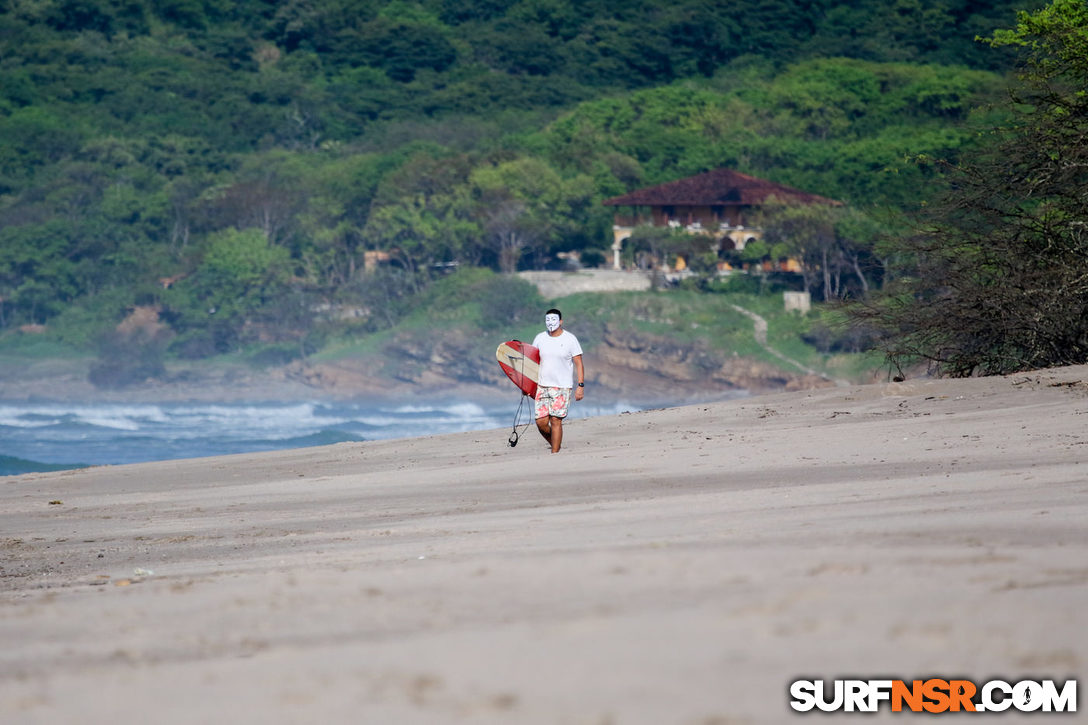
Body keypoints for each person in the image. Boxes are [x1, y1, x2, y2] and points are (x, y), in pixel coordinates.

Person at [532, 308, 584, 453]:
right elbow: (532, 362)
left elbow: (579, 363)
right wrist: (527, 385)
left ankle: (555, 454)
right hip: (542, 386)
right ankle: (556, 444)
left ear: (560, 321)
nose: (550, 323)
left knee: (556, 420)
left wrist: (580, 385)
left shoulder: (570, 339)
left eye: (553, 320)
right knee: (541, 422)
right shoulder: (540, 338)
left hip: (562, 386)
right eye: (547, 320)